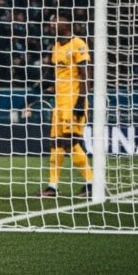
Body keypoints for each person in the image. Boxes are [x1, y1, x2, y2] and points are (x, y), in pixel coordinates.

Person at [38, 14, 93, 198]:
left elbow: (87, 75)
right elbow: (57, 75)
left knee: (71, 143)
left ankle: (91, 184)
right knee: (55, 144)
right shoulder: (55, 48)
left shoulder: (78, 44)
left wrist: (80, 100)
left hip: (73, 101)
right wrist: (47, 86)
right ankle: (52, 187)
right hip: (59, 104)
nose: (51, 24)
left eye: (54, 21)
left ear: (65, 23)